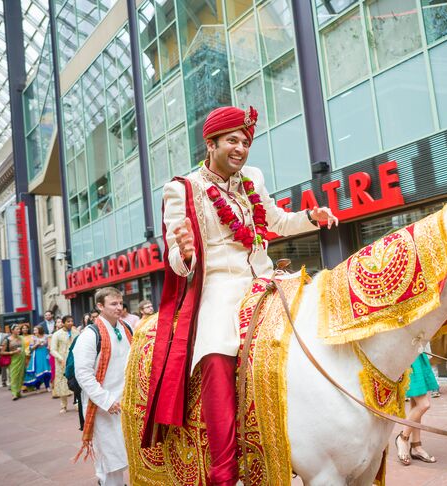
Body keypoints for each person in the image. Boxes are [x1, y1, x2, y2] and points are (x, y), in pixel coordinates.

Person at [142, 105, 338, 486]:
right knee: (216, 355)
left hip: (266, 278)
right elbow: (176, 258)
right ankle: (224, 471)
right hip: (219, 287)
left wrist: (312, 218)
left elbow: (276, 221)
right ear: (210, 143)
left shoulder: (253, 177)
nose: (241, 148)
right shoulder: (182, 188)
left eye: (245, 142)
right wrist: (183, 253)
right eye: (232, 140)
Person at [73, 287, 133, 486]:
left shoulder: (127, 329)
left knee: (128, 453)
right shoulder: (89, 336)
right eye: (113, 304)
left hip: (126, 403)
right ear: (100, 306)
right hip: (102, 406)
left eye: (120, 303)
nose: (119, 307)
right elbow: (83, 374)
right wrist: (106, 400)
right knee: (109, 460)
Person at [395, 350, 438, 466]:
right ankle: (402, 438)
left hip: (417, 355)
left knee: (416, 404)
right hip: (407, 355)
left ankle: (416, 446)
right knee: (423, 404)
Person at [50, 315, 79, 413]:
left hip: (74, 361)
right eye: (68, 321)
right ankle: (63, 405)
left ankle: (77, 402)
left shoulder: (76, 333)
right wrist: (60, 358)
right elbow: (52, 350)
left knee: (76, 381)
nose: (70, 323)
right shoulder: (57, 334)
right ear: (63, 323)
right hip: (61, 362)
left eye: (71, 321)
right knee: (62, 382)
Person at [1, 325, 25, 400]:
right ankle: (14, 393)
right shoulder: (7, 340)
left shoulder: (21, 338)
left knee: (21, 376)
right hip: (13, 360)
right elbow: (2, 352)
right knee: (14, 377)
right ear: (12, 330)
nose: (19, 330)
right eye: (17, 329)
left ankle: (18, 392)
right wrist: (13, 352)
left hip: (22, 359)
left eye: (19, 329)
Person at [24, 325, 51, 391]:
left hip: (45, 354)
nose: (34, 331)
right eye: (34, 330)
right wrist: (37, 344)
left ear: (40, 330)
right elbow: (31, 348)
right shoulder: (33, 338)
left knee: (46, 370)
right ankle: (37, 387)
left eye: (35, 330)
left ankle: (47, 386)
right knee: (39, 370)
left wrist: (48, 347)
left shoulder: (46, 336)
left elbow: (49, 345)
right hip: (37, 355)